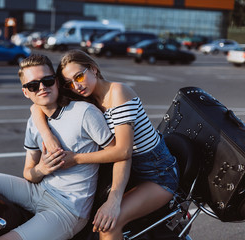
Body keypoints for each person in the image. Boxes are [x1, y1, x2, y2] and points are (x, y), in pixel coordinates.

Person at [30, 49, 180, 240]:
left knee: (109, 225)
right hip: (129, 170)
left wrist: (76, 160)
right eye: (69, 83)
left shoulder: (118, 92)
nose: (76, 86)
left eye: (79, 76)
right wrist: (47, 136)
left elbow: (123, 151)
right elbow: (36, 106)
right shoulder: (87, 97)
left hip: (158, 174)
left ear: (93, 69)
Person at [0, 54, 114, 240]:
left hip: (68, 209)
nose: (42, 88)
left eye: (47, 81)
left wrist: (113, 200)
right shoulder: (34, 121)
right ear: (26, 92)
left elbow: (118, 152)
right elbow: (28, 173)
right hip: (36, 191)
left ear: (57, 82)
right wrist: (41, 169)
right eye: (33, 85)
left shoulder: (84, 112)